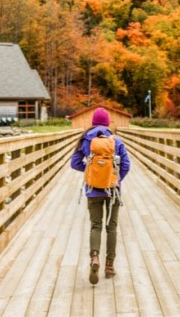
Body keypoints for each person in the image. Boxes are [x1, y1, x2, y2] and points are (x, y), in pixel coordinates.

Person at [70, 107, 131, 284]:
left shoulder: (85, 139)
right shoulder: (116, 140)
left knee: (95, 225)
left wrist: (90, 172)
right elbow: (126, 164)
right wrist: (116, 178)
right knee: (111, 227)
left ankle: (94, 257)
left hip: (92, 189)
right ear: (108, 123)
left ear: (93, 122)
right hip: (113, 190)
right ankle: (109, 266)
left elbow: (74, 163)